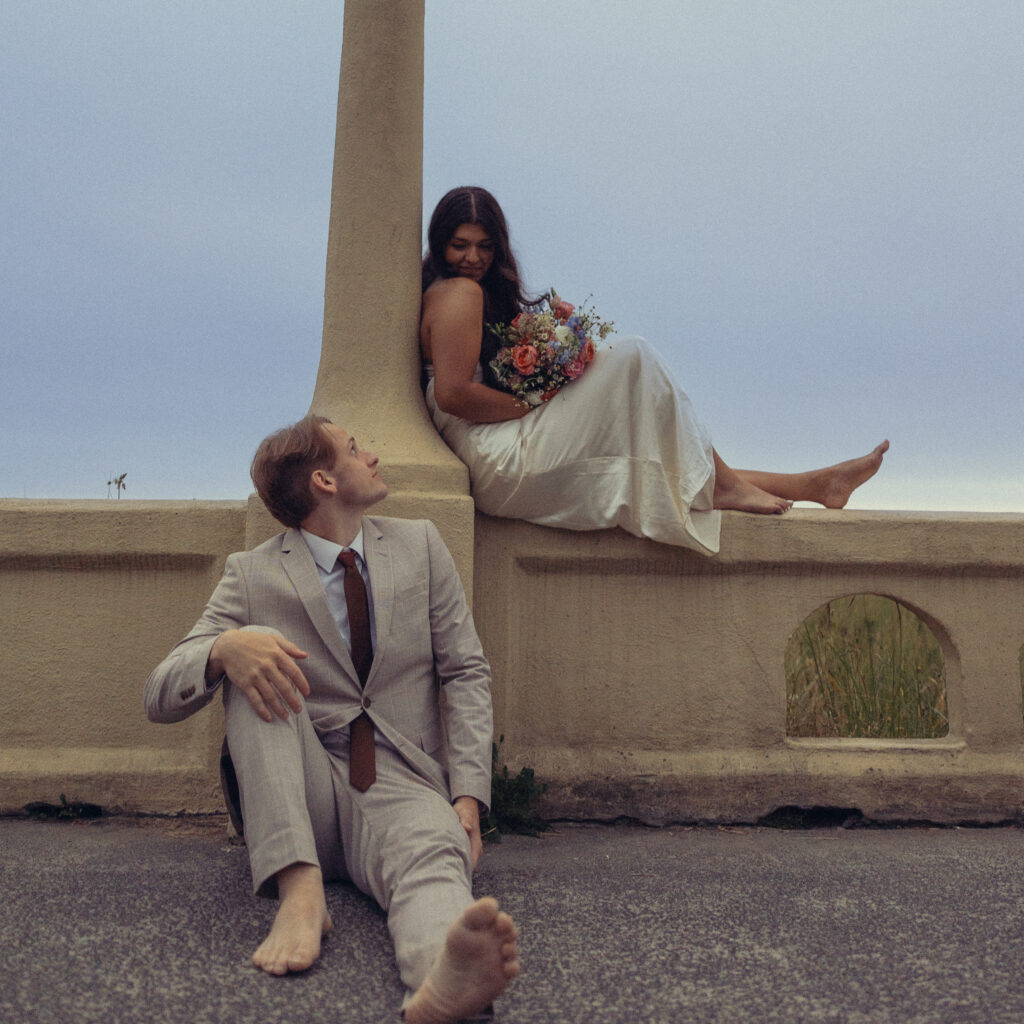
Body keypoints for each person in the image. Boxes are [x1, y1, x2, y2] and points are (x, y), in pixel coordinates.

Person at [144, 414, 519, 1024]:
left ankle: (443, 984)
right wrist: (221, 651)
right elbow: (158, 693)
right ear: (323, 478)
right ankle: (299, 891)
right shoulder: (252, 572)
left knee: (433, 865)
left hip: (403, 783)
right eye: (354, 448)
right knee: (254, 662)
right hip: (298, 793)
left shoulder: (420, 544)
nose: (371, 455)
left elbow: (465, 672)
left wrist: (469, 796)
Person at [420, 185, 889, 555]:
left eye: (484, 246)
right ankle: (728, 485)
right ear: (440, 244)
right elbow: (454, 394)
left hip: (494, 456)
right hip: (494, 459)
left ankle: (813, 484)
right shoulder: (460, 293)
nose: (473, 258)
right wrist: (535, 400)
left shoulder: (462, 294)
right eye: (460, 245)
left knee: (661, 440)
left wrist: (551, 369)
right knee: (632, 358)